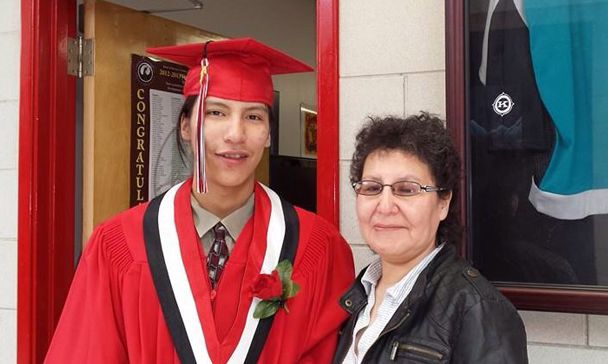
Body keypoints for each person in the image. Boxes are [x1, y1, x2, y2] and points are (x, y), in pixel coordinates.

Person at [44, 38, 354, 364]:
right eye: (216, 112)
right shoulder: (117, 243)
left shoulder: (318, 246)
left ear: (268, 135)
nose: (235, 134)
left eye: (253, 117)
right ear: (185, 127)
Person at [331, 113, 528, 364]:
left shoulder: (478, 309)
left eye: (407, 189)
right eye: (372, 188)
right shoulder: (358, 294)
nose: (385, 206)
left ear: (443, 202)